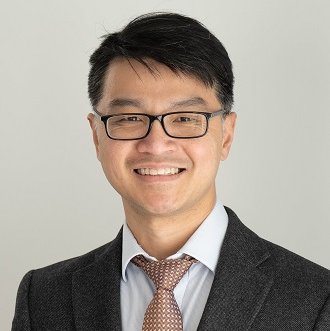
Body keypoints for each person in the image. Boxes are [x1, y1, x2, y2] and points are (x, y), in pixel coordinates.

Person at [12, 12, 329, 331]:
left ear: (226, 135)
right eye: (130, 119)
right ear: (97, 136)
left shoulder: (315, 300)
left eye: (185, 118)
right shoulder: (42, 298)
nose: (156, 144)